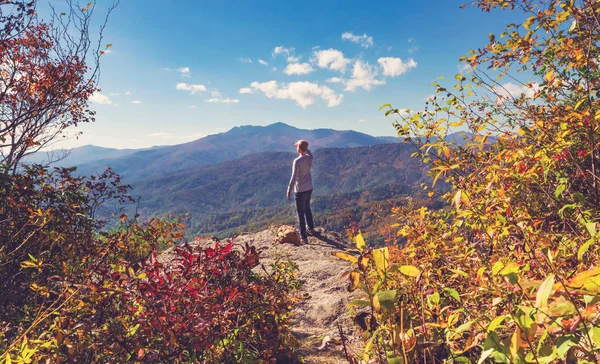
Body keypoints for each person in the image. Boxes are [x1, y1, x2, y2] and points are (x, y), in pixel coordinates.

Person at [287, 139, 316, 244]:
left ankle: (304, 237)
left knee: (300, 213)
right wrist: (304, 146)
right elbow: (309, 152)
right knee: (307, 208)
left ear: (299, 148)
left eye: (297, 146)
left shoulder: (297, 161)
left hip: (300, 189)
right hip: (309, 187)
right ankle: (311, 228)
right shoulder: (309, 158)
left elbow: (294, 177)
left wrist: (289, 190)